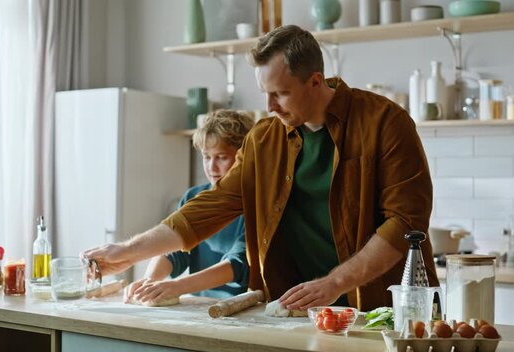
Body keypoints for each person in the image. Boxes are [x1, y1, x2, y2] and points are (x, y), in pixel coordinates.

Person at [83, 25, 437, 311]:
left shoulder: (385, 122)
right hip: (293, 309)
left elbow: (405, 223)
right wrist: (124, 252)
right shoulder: (263, 140)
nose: (268, 107)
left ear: (315, 81)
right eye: (264, 93)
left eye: (279, 94)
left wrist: (334, 283)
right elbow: (206, 210)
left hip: (382, 308)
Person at [124, 110, 254, 305]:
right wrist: (149, 281)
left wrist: (176, 286)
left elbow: (238, 264)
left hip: (240, 308)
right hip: (199, 306)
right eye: (206, 157)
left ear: (244, 157)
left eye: (221, 157)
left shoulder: (256, 203)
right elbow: (175, 251)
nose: (212, 167)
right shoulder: (193, 196)